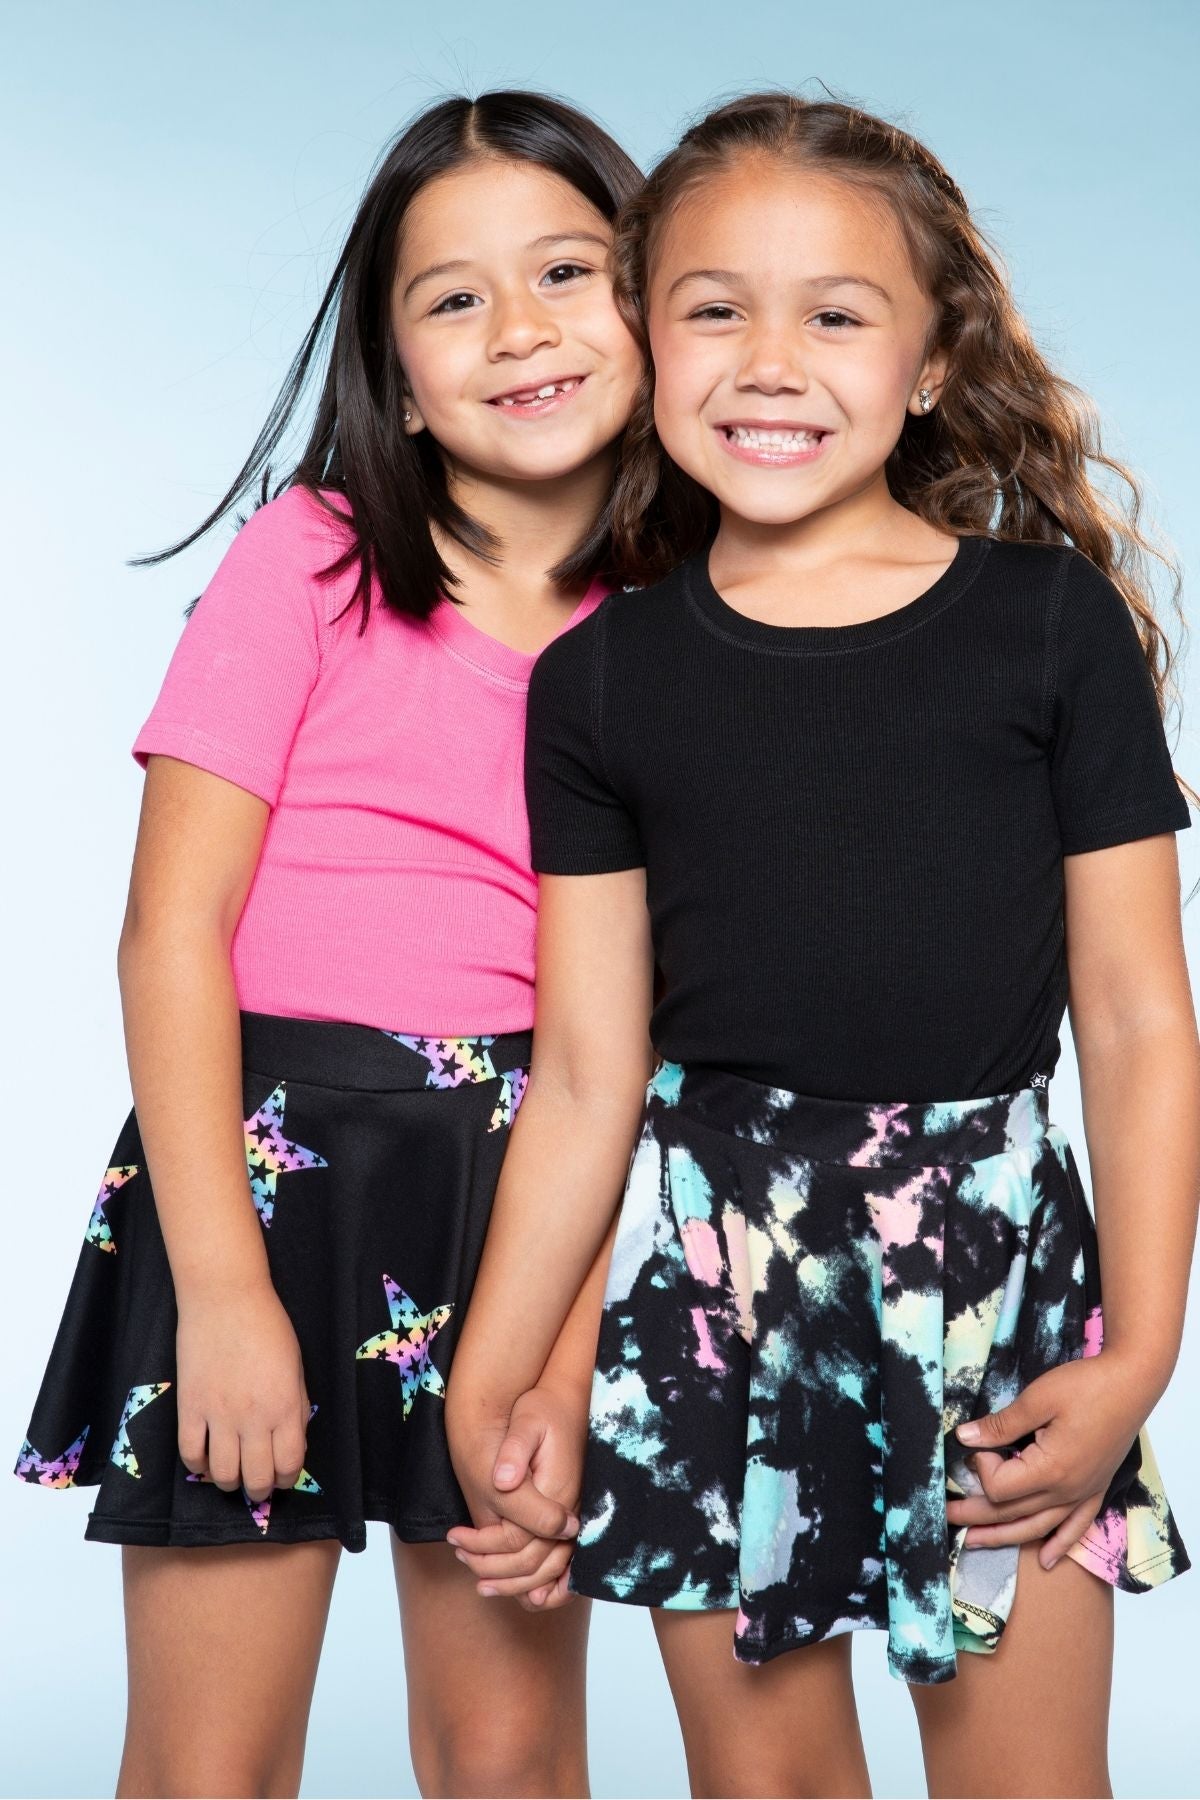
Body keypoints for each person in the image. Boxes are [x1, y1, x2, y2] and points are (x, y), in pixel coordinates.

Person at [446, 92, 1197, 1798]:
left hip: (998, 1299)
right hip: (717, 1301)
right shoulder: (602, 682)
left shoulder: (1048, 626)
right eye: (716, 308)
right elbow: (588, 1076)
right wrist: (497, 1375)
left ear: (931, 365)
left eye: (836, 316)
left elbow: (1139, 1019)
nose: (770, 362)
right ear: (648, 340)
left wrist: (1139, 1351)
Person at [16, 88, 644, 1800]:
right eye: (455, 297)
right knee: (208, 1766)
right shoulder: (310, 560)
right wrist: (222, 1291)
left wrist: (564, 1357)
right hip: (256, 1174)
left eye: (567, 272)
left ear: (655, 303)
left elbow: (628, 1055)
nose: (520, 330)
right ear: (397, 370)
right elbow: (171, 932)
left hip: (523, 1200)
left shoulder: (679, 636)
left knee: (512, 1757)